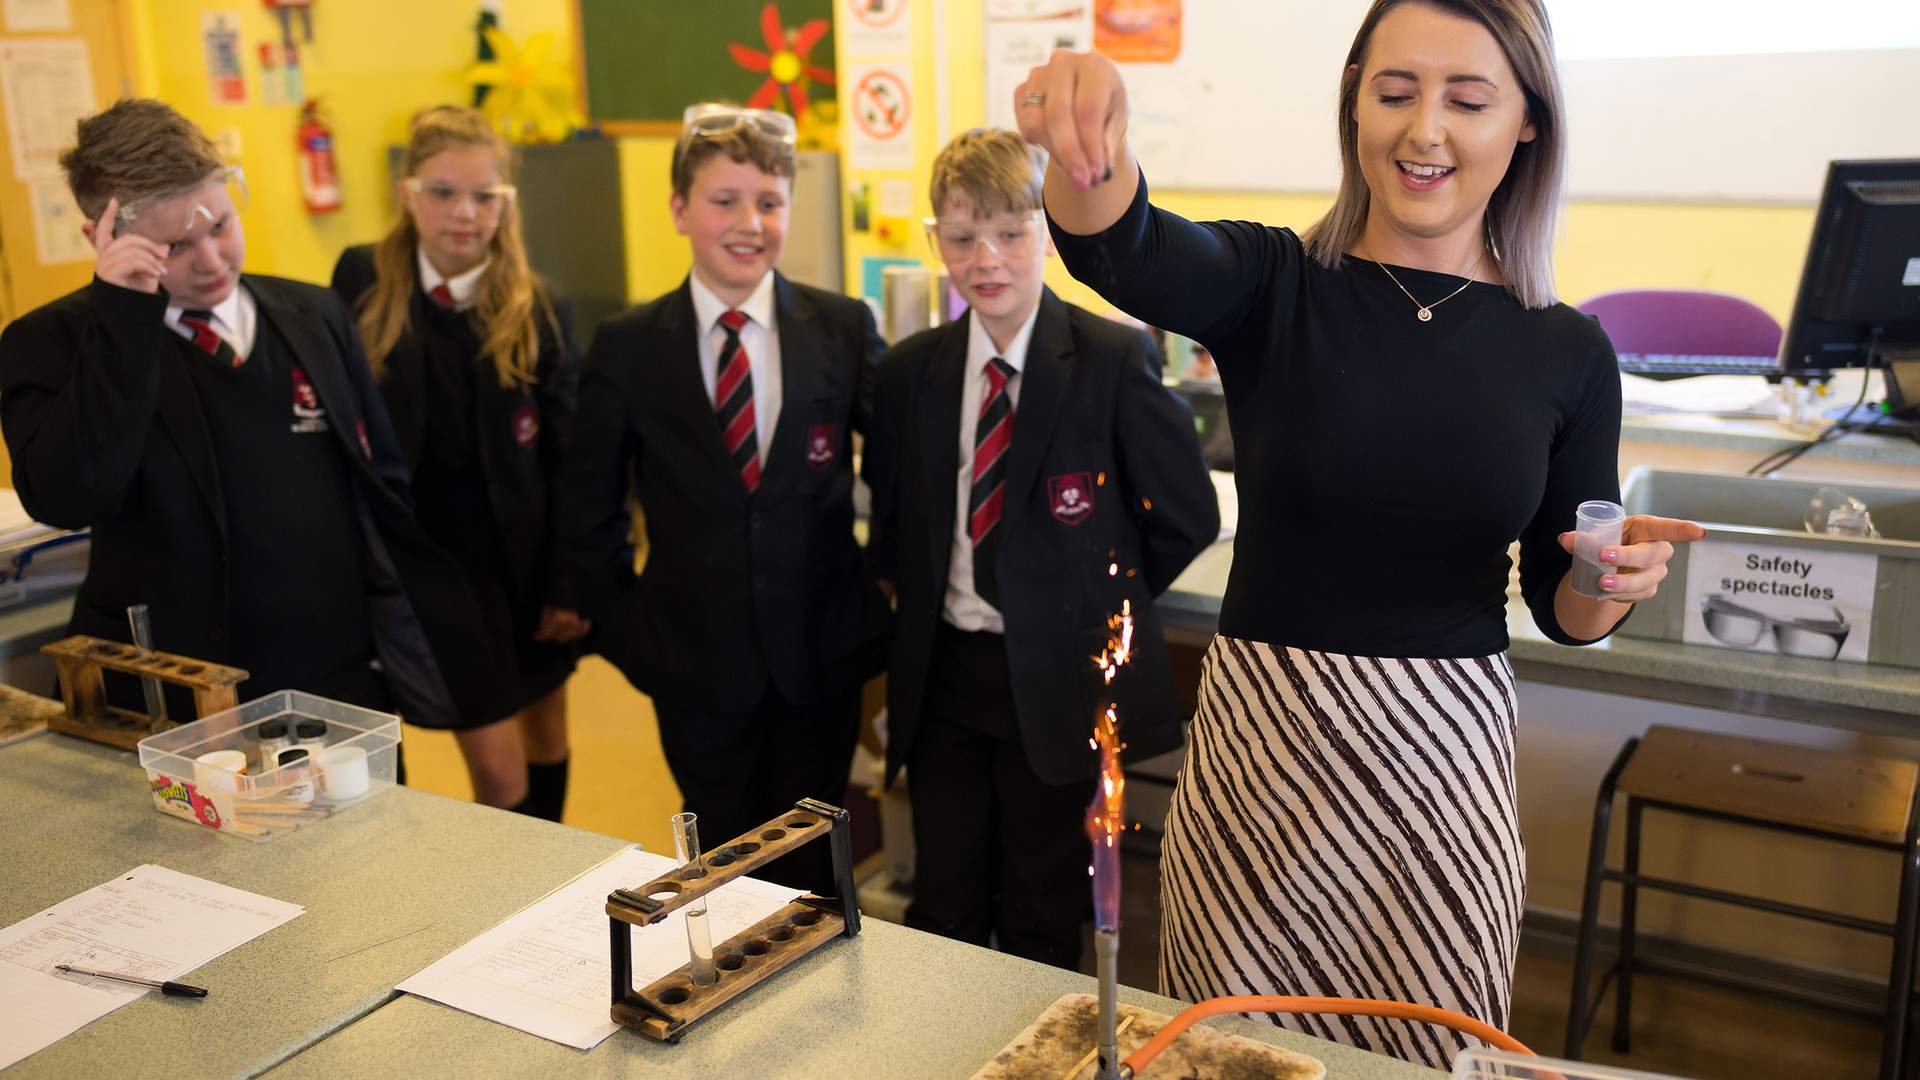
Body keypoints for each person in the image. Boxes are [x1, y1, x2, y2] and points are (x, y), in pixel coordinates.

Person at [1014, 0, 1705, 1066]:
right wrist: (1088, 149)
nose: (1425, 130)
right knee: (1230, 1055)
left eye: (1467, 100)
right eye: (1395, 92)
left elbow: (1567, 610)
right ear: (1354, 107)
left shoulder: (1567, 350)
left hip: (1444, 772)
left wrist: (1608, 581)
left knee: (1426, 1052)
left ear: (1526, 124)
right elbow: (1128, 249)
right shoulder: (1275, 283)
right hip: (1263, 764)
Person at [0, 98, 488, 734]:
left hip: (334, 670)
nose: (210, 261)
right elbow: (68, 496)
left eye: (221, 226)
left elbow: (379, 476)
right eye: (175, 245)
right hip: (176, 687)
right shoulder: (54, 342)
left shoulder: (312, 315)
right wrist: (123, 320)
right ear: (104, 236)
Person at [863, 129, 1217, 969]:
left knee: (1042, 906)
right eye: (961, 238)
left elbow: (1185, 515)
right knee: (944, 902)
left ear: (1047, 235)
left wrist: (1090, 602)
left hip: (1057, 686)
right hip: (945, 677)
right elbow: (894, 520)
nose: (986, 258)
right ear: (936, 242)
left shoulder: (1109, 356)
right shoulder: (911, 370)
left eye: (1011, 234)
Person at [560, 103, 889, 887]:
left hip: (820, 655)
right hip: (693, 661)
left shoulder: (840, 327)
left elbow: (899, 465)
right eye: (724, 201)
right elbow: (589, 504)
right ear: (679, 209)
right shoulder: (631, 345)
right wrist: (632, 631)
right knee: (721, 868)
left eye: (769, 202)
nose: (749, 223)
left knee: (817, 863)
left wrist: (881, 587)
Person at [331, 106, 586, 821]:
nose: (465, 214)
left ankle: (551, 873)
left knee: (546, 728)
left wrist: (569, 581)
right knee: (499, 774)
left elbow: (570, 456)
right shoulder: (362, 280)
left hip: (526, 564)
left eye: (485, 196)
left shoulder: (538, 306)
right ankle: (514, 898)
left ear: (507, 203)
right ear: (409, 195)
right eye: (443, 192)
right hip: (438, 569)